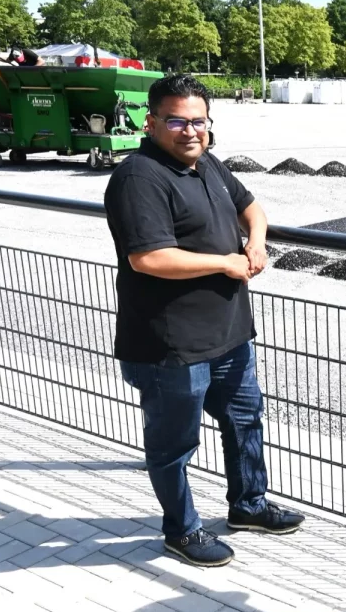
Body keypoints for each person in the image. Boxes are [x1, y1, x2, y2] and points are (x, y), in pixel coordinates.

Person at [104, 74, 304, 567]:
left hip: (230, 333)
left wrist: (255, 242)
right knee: (175, 444)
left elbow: (251, 207)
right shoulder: (139, 177)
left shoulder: (208, 163)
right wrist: (226, 263)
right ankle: (182, 531)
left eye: (198, 121)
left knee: (244, 421)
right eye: (176, 120)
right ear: (150, 122)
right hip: (170, 345)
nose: (189, 130)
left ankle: (249, 506)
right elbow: (148, 258)